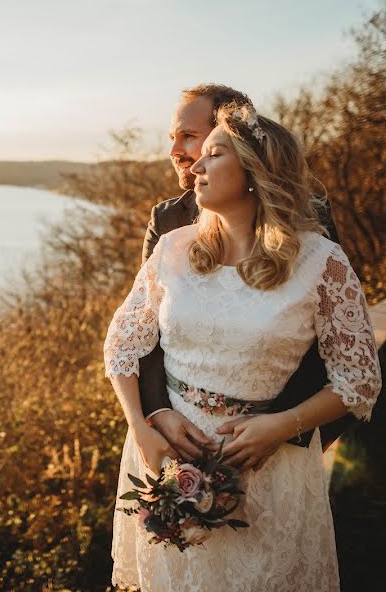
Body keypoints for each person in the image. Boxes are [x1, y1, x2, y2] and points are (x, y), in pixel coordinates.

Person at [102, 102, 382, 590]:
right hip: (167, 459)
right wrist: (142, 426)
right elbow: (122, 347)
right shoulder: (173, 248)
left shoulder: (320, 262)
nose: (195, 165)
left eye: (213, 153)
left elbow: (359, 381)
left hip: (268, 468)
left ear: (256, 170)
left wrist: (281, 426)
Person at [138, 84, 354, 474]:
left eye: (189, 136)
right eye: (173, 137)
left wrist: (281, 430)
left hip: (272, 445)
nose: (176, 152)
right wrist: (155, 414)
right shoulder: (167, 222)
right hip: (178, 444)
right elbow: (145, 333)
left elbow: (331, 337)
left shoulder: (307, 220)